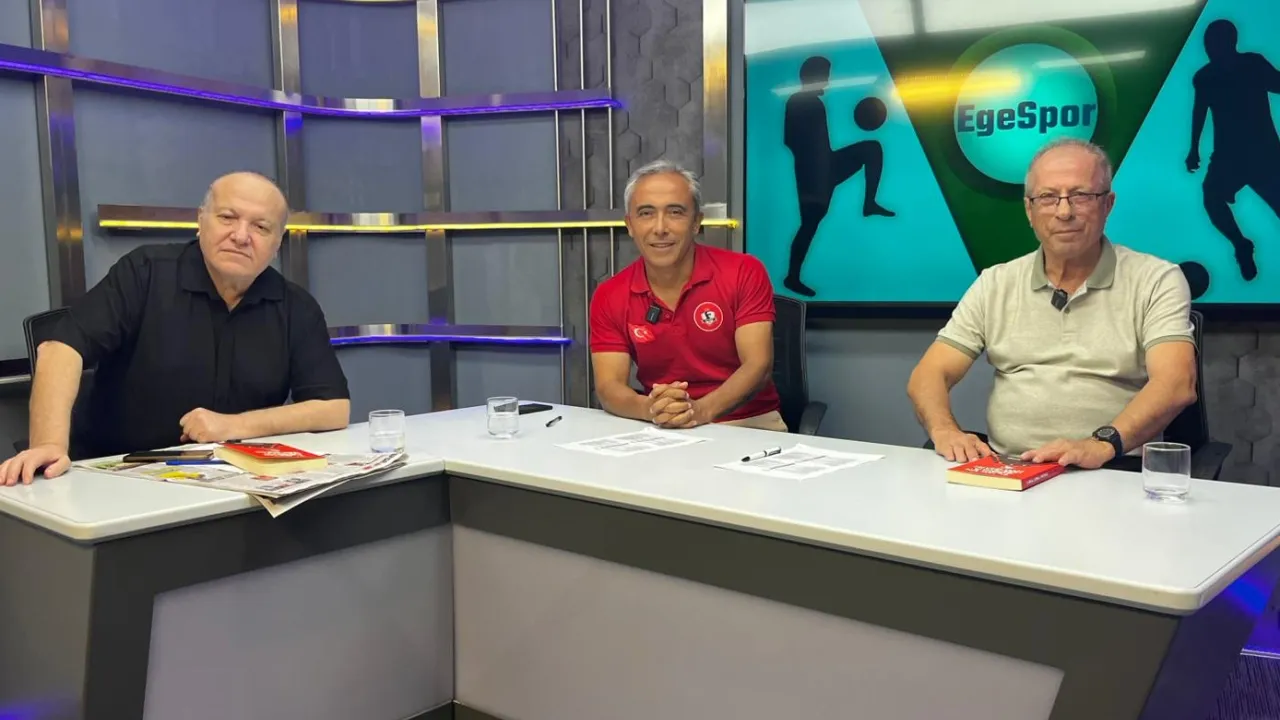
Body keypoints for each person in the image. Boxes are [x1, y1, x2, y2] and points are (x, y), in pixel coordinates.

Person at [0, 172, 351, 485]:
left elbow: (333, 408)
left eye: (261, 227)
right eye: (227, 217)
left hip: (236, 482)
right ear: (201, 221)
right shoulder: (145, 272)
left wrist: (234, 425)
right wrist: (48, 444)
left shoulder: (296, 306)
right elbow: (60, 348)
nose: (241, 236)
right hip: (116, 474)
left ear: (278, 242)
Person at [907, 138, 1198, 469]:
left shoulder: (1156, 279)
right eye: (1047, 197)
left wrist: (1100, 445)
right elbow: (929, 373)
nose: (1064, 212)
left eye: (1081, 195)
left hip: (1113, 466)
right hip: (1011, 468)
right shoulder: (995, 283)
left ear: (1108, 204)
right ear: (1029, 210)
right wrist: (944, 431)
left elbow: (1176, 384)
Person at [589, 159, 785, 431]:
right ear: (630, 225)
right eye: (646, 213)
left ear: (696, 223)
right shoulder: (609, 294)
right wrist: (650, 409)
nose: (660, 228)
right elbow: (608, 386)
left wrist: (701, 411)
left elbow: (758, 366)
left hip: (747, 422)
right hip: (661, 425)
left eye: (675, 212)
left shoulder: (744, 271)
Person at [783, 55, 894, 298]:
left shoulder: (814, 103)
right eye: (824, 75)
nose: (827, 80)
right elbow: (790, 140)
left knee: (872, 149)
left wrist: (824, 161)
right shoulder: (800, 101)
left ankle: (869, 203)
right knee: (810, 224)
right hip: (813, 173)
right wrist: (813, 168)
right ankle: (792, 277)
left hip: (827, 164)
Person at [1186, 18, 1280, 282]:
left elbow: (1278, 84)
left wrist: (1194, 149)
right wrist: (1193, 149)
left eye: (1213, 42)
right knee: (1211, 197)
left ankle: (1241, 245)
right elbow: (1199, 112)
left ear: (1229, 42)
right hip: (1232, 156)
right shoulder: (1205, 77)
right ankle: (1241, 244)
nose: (1209, 48)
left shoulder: (1252, 64)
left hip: (1263, 154)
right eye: (1208, 43)